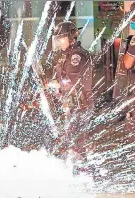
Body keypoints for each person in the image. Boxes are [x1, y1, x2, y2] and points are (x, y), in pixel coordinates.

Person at [50, 21, 93, 163]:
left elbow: (72, 81)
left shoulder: (77, 55)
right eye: (58, 39)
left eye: (61, 38)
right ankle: (78, 169)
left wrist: (55, 84)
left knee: (77, 141)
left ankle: (83, 172)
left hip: (80, 104)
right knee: (71, 140)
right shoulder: (66, 55)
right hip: (72, 104)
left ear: (70, 37)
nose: (59, 42)